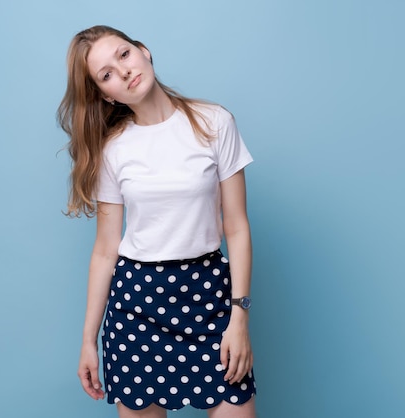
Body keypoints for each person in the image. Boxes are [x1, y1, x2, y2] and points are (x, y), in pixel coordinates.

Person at [57, 25, 257, 418]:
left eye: (124, 55)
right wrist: (87, 341)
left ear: (144, 51)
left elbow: (236, 227)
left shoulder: (214, 122)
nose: (123, 71)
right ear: (104, 94)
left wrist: (240, 316)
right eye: (106, 74)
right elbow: (104, 250)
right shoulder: (113, 149)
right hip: (136, 307)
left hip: (209, 298)